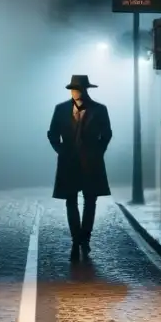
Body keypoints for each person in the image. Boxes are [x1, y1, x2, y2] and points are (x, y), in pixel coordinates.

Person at [47, 74, 113, 260]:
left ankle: (85, 237)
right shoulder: (61, 109)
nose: (76, 93)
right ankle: (76, 239)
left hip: (91, 163)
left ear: (86, 90)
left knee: (90, 201)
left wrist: (98, 152)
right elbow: (52, 134)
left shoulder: (99, 110)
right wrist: (61, 151)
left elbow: (106, 134)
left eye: (79, 89)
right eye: (73, 90)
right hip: (69, 163)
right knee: (71, 201)